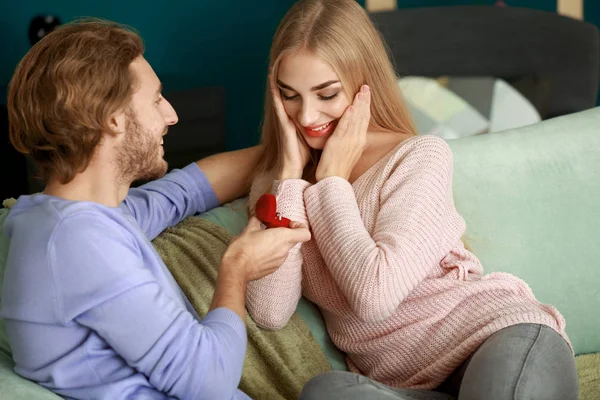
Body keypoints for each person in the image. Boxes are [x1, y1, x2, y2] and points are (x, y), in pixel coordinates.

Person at [246, 1, 579, 399]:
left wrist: (332, 179)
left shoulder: (417, 156)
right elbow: (269, 311)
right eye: (290, 96)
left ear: (361, 84)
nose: (306, 116)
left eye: (327, 94)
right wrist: (286, 178)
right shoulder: (280, 188)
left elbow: (375, 295)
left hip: (494, 336)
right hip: (409, 386)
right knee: (324, 393)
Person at [0, 18, 311, 400]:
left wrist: (296, 149)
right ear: (112, 118)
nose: (171, 115)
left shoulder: (70, 218)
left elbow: (185, 191)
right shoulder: (78, 242)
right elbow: (210, 381)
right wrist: (238, 268)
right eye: (156, 100)